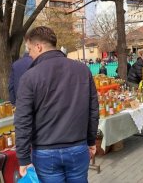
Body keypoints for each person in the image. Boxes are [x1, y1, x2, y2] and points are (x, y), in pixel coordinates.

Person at [15, 26, 99, 182]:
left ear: (38, 46)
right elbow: (93, 109)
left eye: (30, 50)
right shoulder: (83, 70)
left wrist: (23, 158)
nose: (30, 55)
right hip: (77, 147)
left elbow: (22, 120)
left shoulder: (30, 76)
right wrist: (91, 140)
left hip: (46, 152)